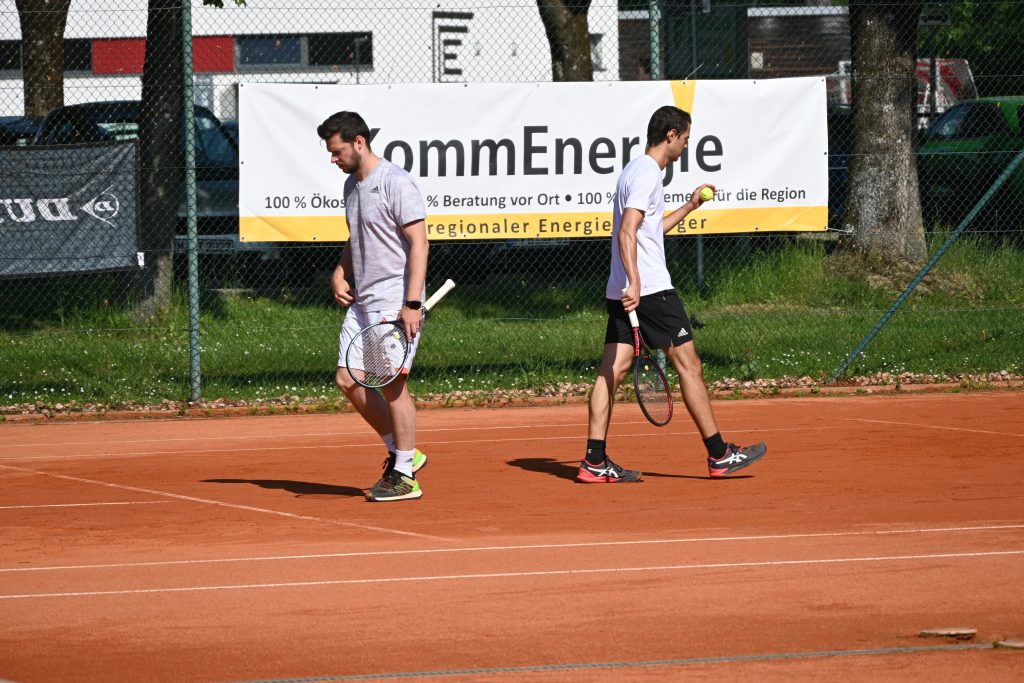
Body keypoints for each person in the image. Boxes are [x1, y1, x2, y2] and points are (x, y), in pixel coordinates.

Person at [579, 105, 767, 483]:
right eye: (685, 138)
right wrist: (636, 281)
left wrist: (691, 205)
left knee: (611, 370)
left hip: (621, 289)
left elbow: (648, 230)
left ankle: (593, 461)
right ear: (670, 135)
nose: (686, 145)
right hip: (649, 290)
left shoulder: (634, 170)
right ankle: (719, 454)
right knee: (689, 365)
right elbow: (627, 231)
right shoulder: (648, 174)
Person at [317, 111, 430, 502]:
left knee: (393, 385)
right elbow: (357, 237)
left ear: (359, 142)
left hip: (394, 300)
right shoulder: (352, 185)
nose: (333, 159)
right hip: (362, 299)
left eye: (337, 151)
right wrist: (340, 272)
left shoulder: (396, 182)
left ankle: (405, 477)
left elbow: (419, 243)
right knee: (347, 380)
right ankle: (405, 453)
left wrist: (411, 303)